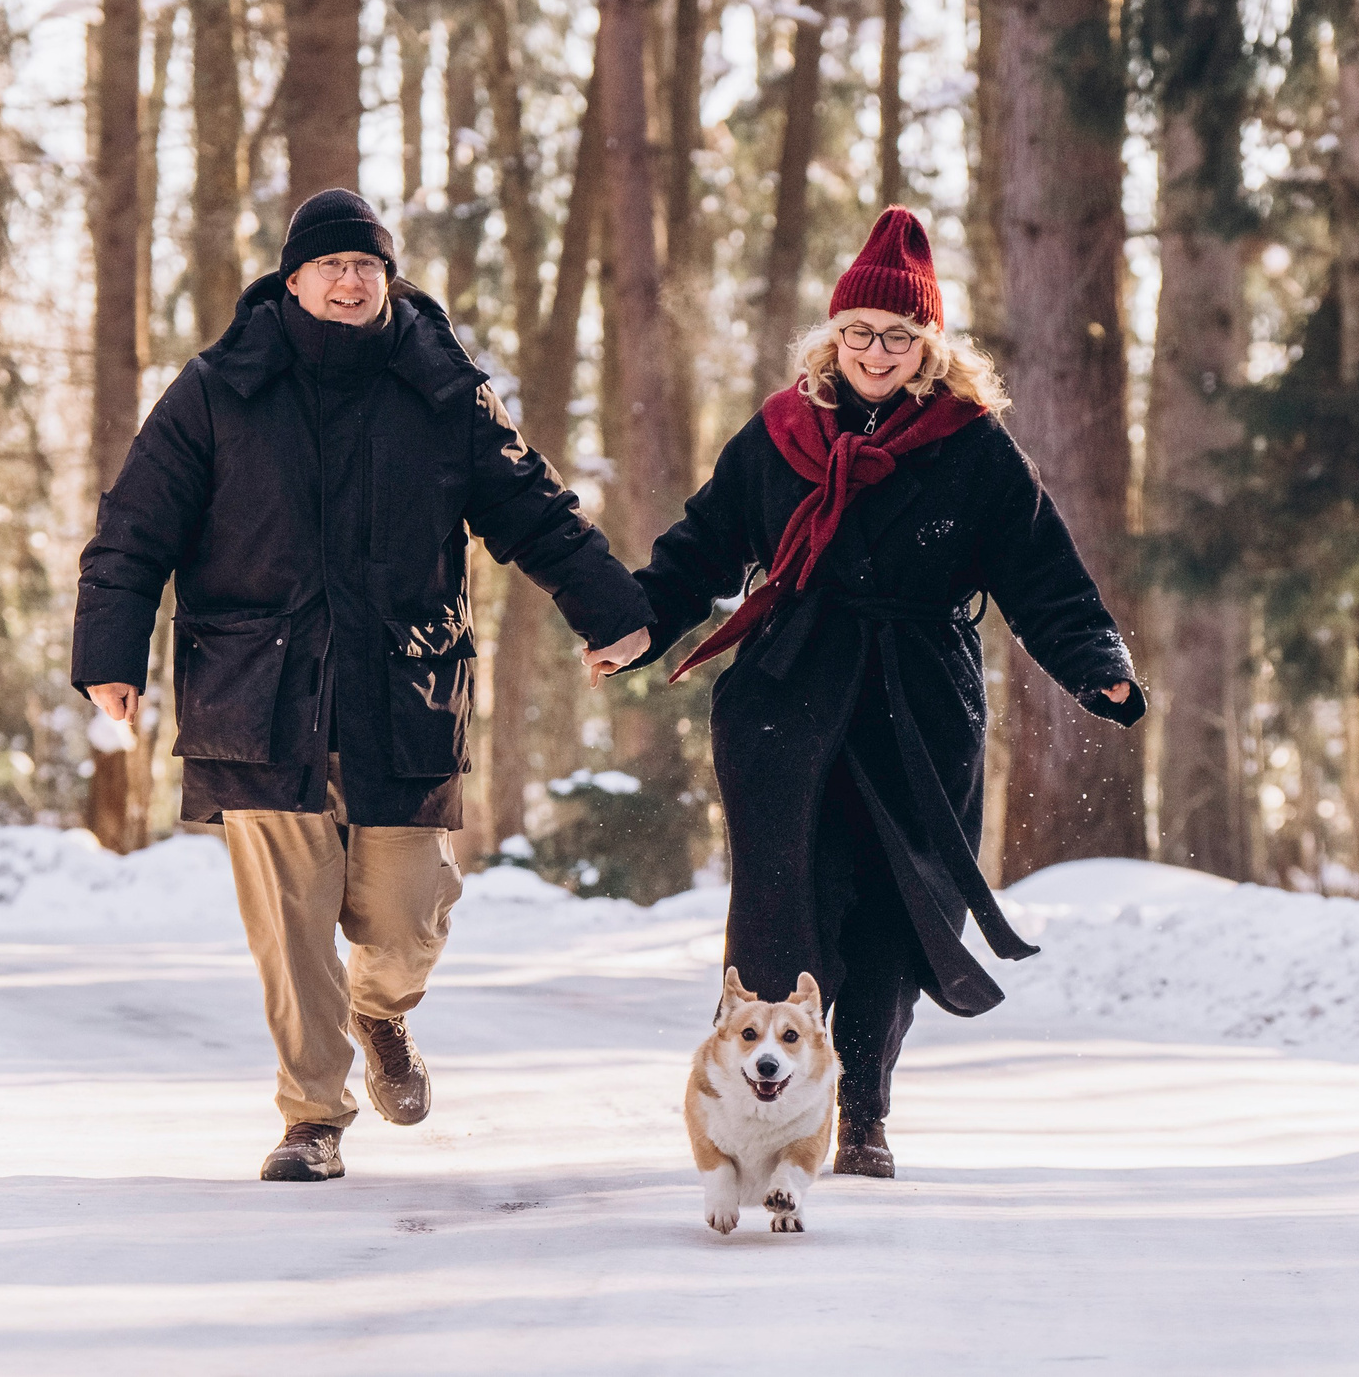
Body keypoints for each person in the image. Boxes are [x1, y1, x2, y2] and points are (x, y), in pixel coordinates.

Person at [76, 189, 651, 1183]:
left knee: (405, 913)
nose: (350, 281)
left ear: (388, 280)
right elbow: (135, 527)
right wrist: (110, 655)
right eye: (332, 266)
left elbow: (534, 506)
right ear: (291, 279)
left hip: (406, 689)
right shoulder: (218, 389)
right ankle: (312, 1117)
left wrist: (612, 609)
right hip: (257, 692)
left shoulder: (442, 388)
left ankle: (382, 1010)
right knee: (291, 926)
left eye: (367, 266)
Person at [600, 206, 1142, 1179]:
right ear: (830, 338)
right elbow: (702, 547)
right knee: (782, 904)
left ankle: (862, 1113)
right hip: (786, 694)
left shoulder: (973, 448)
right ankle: (760, 1117)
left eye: (897, 336)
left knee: (894, 904)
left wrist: (1093, 661)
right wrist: (637, 625)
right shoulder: (775, 436)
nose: (876, 351)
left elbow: (1041, 573)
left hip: (917, 704)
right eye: (860, 333)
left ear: (928, 347)